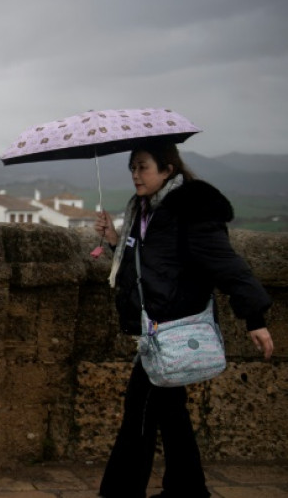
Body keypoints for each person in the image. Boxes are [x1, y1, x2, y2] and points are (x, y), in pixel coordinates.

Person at [94, 141, 274, 498]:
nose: (135, 175)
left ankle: (121, 492)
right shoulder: (143, 211)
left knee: (140, 411)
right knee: (170, 411)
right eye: (132, 168)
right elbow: (145, 270)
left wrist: (255, 316)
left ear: (167, 170)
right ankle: (189, 489)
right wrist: (116, 241)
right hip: (155, 329)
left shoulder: (191, 209)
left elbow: (227, 264)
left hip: (173, 329)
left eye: (143, 167)